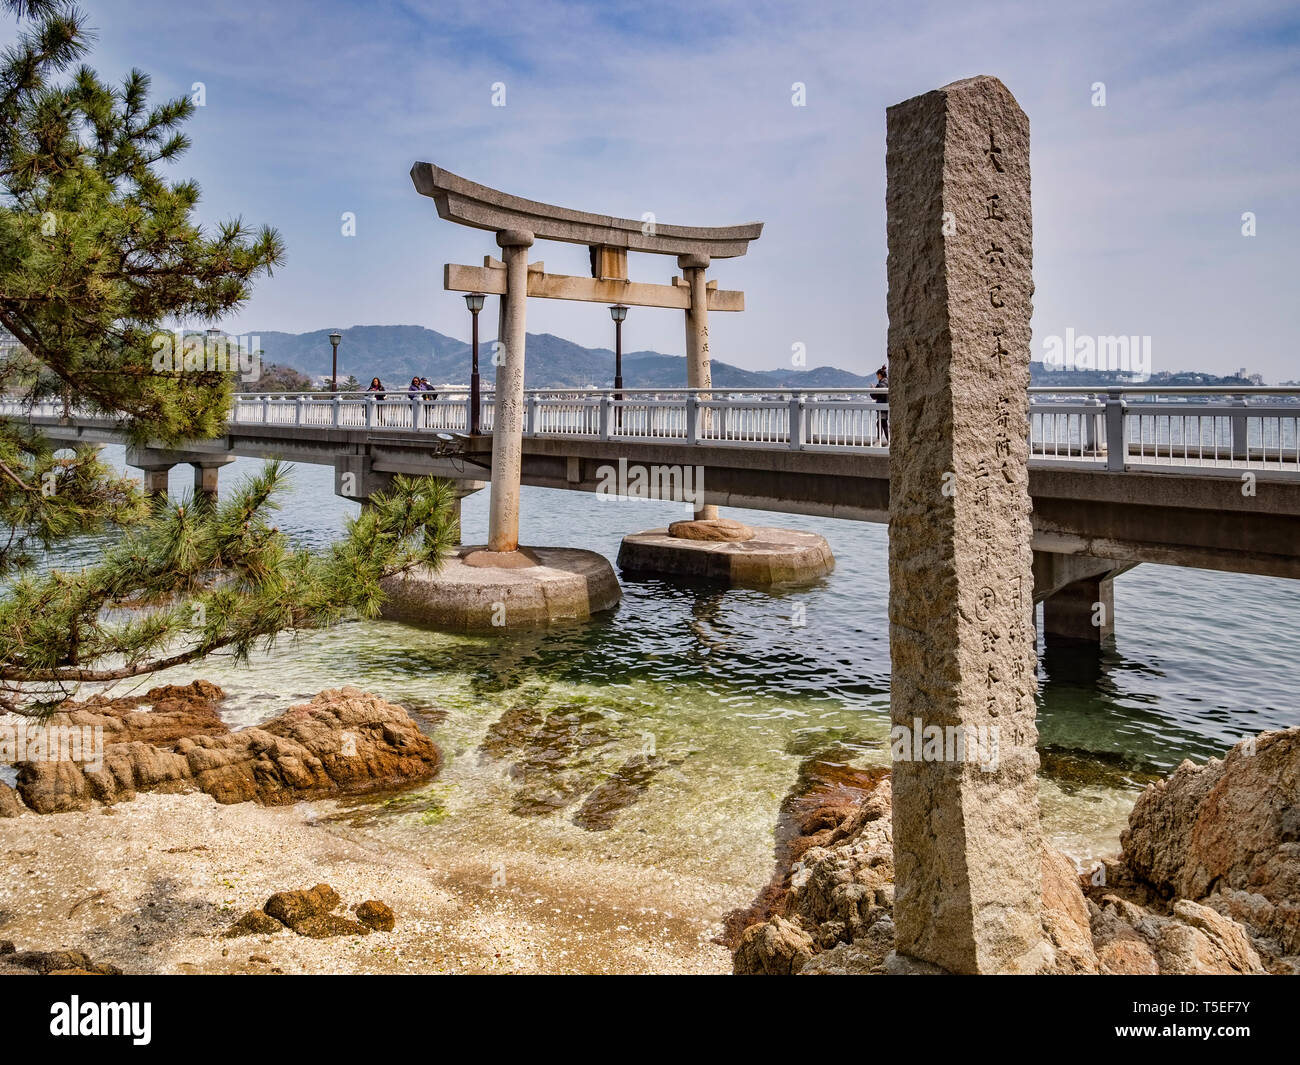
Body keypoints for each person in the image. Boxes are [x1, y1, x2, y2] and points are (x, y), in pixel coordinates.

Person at [873, 364, 889, 444]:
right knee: (880, 423)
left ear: (880, 375)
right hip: (885, 405)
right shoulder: (888, 382)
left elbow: (874, 396)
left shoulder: (880, 384)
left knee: (883, 424)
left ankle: (887, 441)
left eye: (877, 376)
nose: (877, 377)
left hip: (881, 406)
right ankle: (879, 440)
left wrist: (873, 389)